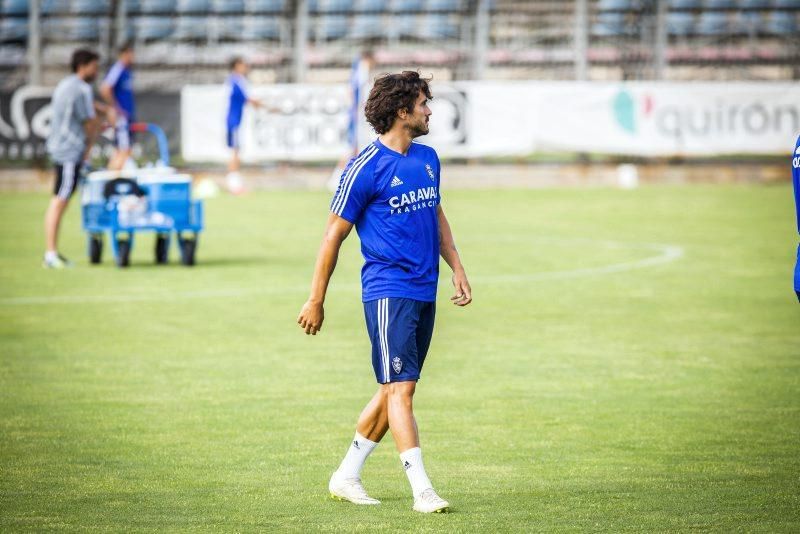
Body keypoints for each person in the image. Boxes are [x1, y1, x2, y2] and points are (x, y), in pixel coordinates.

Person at [297, 71, 472, 513]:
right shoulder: (364, 168)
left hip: (423, 289)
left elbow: (436, 214)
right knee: (402, 391)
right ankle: (422, 490)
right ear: (401, 111)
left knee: (394, 387)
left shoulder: (429, 158)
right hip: (387, 290)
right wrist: (316, 299)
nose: (430, 110)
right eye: (423, 103)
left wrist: (457, 267)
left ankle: (346, 475)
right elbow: (332, 236)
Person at [43, 49, 116, 269]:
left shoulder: (66, 85)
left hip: (59, 148)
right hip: (69, 152)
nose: (96, 71)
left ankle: (52, 252)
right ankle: (51, 253)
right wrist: (89, 147)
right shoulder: (83, 89)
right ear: (83, 66)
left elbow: (85, 108)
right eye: (94, 66)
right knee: (60, 200)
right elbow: (90, 124)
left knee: (61, 198)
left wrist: (102, 109)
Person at [327, 49, 376, 191]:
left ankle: (343, 179)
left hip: (357, 116)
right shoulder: (362, 72)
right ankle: (335, 179)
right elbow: (356, 94)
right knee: (352, 148)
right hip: (358, 117)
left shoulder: (357, 72)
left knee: (355, 149)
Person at [224, 57, 264, 194]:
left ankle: (234, 183)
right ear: (236, 66)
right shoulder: (236, 81)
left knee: (236, 151)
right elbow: (247, 99)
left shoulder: (235, 81)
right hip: (233, 121)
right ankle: (233, 185)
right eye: (242, 65)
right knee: (235, 152)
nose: (245, 67)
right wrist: (259, 103)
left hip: (235, 120)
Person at [100, 42, 135, 171]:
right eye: (130, 54)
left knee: (121, 150)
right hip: (121, 118)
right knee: (124, 150)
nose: (133, 57)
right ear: (124, 54)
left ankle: (110, 183)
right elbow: (105, 88)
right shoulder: (118, 69)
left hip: (126, 116)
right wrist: (115, 109)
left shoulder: (127, 71)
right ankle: (111, 184)